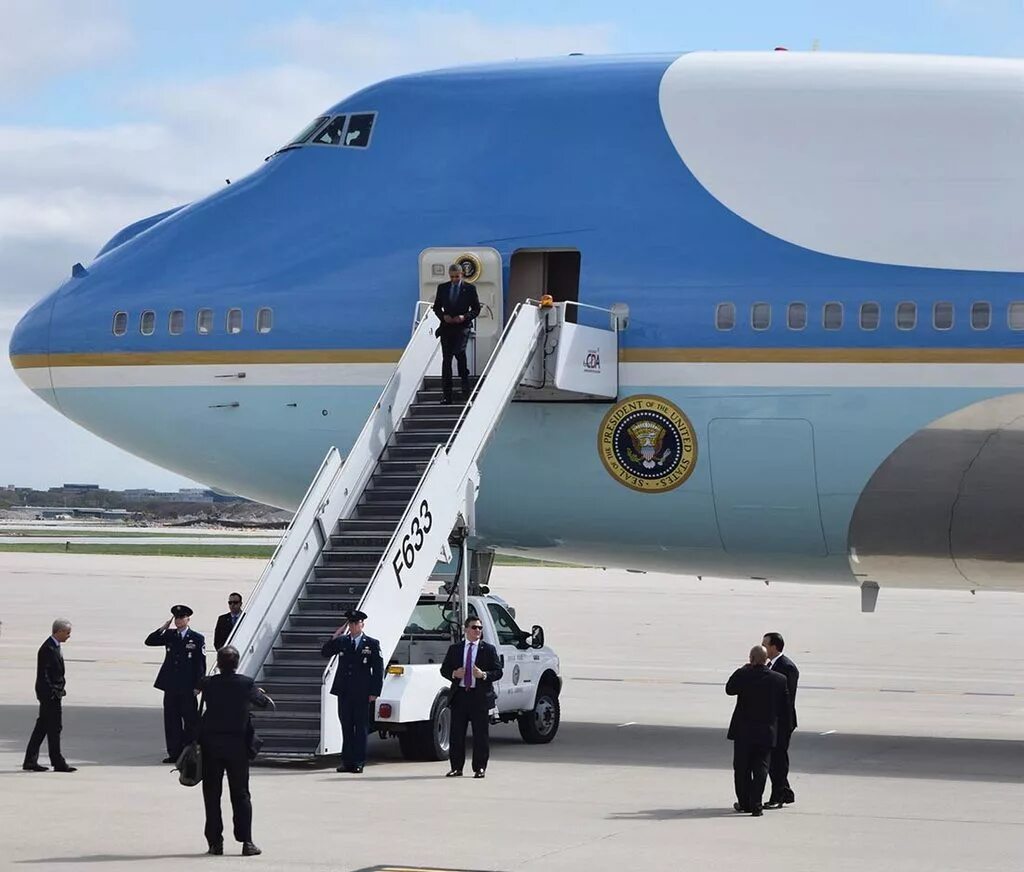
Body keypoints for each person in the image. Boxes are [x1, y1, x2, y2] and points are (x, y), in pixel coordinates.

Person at [198, 645, 270, 856]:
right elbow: (263, 703)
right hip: (237, 747)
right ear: (237, 664)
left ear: (219, 664)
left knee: (212, 795)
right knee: (241, 795)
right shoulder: (245, 684)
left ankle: (215, 842)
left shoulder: (209, 684)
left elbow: (196, 687)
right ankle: (246, 842)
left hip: (212, 746)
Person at [725, 645, 791, 816]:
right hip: (766, 731)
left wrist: (742, 669)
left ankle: (745, 802)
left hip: (743, 731)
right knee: (761, 768)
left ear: (751, 659)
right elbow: (785, 707)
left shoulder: (743, 675)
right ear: (766, 659)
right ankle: (756, 804)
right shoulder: (779, 679)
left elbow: (729, 689)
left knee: (742, 769)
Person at [319, 609, 383, 773]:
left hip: (362, 692)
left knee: (361, 727)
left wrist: (375, 691)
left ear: (362, 624)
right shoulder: (342, 642)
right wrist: (334, 637)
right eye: (351, 623)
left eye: (356, 623)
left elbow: (377, 669)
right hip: (345, 691)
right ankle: (346, 761)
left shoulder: (371, 643)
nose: (354, 626)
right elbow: (325, 652)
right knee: (346, 726)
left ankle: (359, 762)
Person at [440, 615, 503, 778]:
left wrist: (483, 675)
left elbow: (498, 671)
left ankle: (479, 767)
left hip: (479, 697)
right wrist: (454, 673)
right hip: (460, 695)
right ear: (466, 629)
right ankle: (456, 767)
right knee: (457, 734)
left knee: (480, 734)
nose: (478, 631)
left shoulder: (488, 649)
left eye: (480, 628)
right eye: (474, 627)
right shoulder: (456, 649)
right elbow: (444, 669)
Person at [144, 604, 207, 764]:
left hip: (188, 687)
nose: (178, 620)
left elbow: (200, 664)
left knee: (190, 720)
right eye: (176, 618)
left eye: (182, 617)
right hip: (171, 685)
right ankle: (174, 752)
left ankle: (189, 751)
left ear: (188, 619)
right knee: (171, 720)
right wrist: (163, 628)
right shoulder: (170, 635)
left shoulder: (197, 638)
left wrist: (199, 685)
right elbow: (150, 641)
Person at [23, 619, 76, 772]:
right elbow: (44, 674)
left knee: (43, 727)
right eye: (67, 633)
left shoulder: (54, 646)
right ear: (58, 632)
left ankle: (30, 761)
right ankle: (57, 762)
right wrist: (53, 691)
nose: (69, 636)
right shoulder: (48, 648)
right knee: (54, 728)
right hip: (50, 695)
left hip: (52, 693)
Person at [432, 263, 481, 404]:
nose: (454, 279)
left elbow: (476, 309)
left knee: (459, 353)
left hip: (462, 327)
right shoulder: (442, 288)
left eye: (457, 277)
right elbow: (436, 307)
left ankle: (465, 391)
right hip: (447, 327)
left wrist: (464, 317)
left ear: (462, 275)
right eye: (452, 277)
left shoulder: (470, 289)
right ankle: (447, 396)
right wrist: (443, 316)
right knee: (446, 360)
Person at [763, 631, 800, 808]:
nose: (763, 648)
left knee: (778, 759)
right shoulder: (771, 665)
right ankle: (785, 792)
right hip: (772, 721)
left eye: (765, 645)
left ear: (774, 647)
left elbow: (787, 698)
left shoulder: (787, 667)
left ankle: (778, 795)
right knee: (773, 758)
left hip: (782, 722)